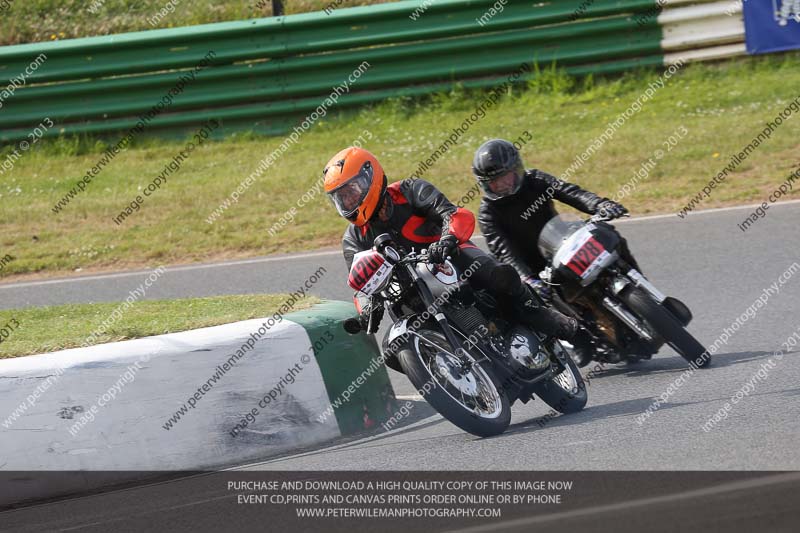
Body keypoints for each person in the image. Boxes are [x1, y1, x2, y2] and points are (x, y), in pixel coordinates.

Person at [322, 145, 584, 349]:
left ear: (371, 177)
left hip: (451, 259)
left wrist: (447, 239)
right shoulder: (353, 238)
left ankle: (548, 319)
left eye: (351, 191)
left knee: (499, 276)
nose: (348, 200)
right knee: (394, 350)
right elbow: (360, 283)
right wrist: (367, 310)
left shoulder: (410, 190)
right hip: (408, 290)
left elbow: (455, 214)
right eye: (341, 197)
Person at [472, 138, 635, 365]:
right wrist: (527, 277)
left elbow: (571, 192)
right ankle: (578, 338)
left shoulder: (536, 180)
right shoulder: (488, 212)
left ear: (516, 169)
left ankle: (635, 280)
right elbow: (502, 250)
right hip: (536, 268)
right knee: (537, 297)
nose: (502, 185)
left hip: (564, 242)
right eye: (495, 182)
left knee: (607, 233)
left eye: (504, 177)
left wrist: (600, 205)